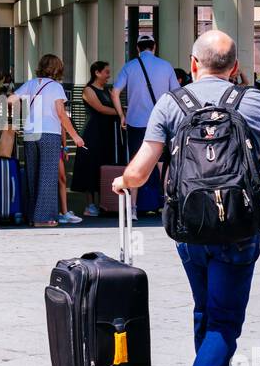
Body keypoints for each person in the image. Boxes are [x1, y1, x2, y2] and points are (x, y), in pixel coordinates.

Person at [113, 30, 260, 366]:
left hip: (189, 228)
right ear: (235, 67)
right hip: (240, 229)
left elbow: (140, 170)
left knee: (206, 313)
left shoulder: (172, 103)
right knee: (224, 324)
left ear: (192, 64)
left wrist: (123, 182)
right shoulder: (254, 101)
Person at [9, 54, 84, 228]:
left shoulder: (31, 83)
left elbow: (11, 99)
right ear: (57, 68)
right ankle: (43, 218)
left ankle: (32, 215)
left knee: (32, 175)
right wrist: (75, 136)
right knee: (48, 176)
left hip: (30, 133)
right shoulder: (56, 87)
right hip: (49, 133)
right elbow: (61, 114)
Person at [112, 35, 179, 217]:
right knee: (162, 165)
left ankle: (132, 208)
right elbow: (176, 93)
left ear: (137, 48)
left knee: (135, 163)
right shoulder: (166, 66)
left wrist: (121, 115)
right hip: (162, 122)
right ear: (154, 47)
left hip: (136, 122)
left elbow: (115, 92)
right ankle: (167, 206)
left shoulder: (129, 66)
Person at [71, 61, 121, 217]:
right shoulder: (88, 90)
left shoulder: (106, 90)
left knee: (103, 164)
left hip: (106, 133)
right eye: (106, 72)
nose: (108, 75)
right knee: (90, 166)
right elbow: (100, 108)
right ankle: (89, 204)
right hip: (92, 132)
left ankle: (102, 202)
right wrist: (121, 112)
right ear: (97, 73)